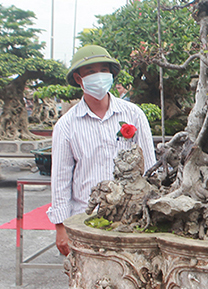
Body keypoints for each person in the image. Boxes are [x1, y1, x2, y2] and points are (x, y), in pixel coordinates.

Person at [49, 45, 156, 256]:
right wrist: (60, 226)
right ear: (79, 79)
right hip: (86, 217)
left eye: (103, 70)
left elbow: (150, 166)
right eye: (91, 72)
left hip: (130, 217)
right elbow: (61, 178)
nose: (99, 76)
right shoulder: (66, 126)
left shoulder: (133, 115)